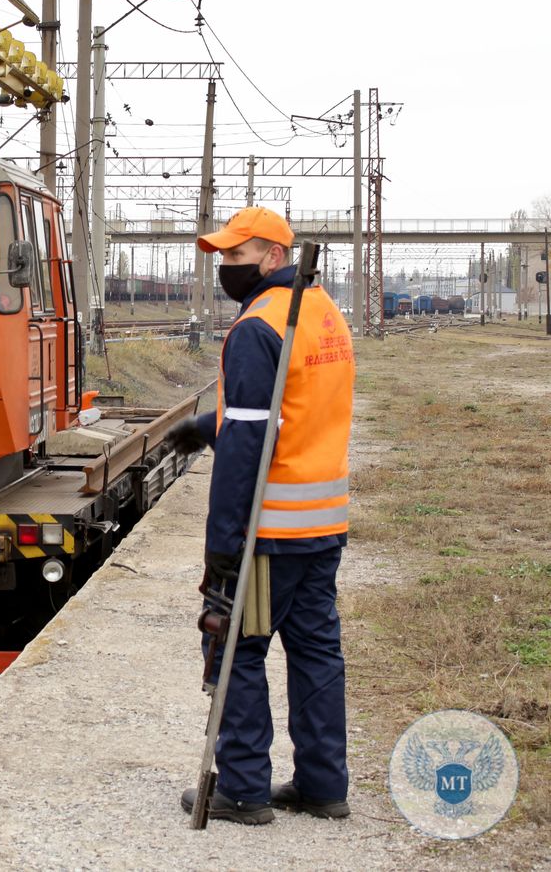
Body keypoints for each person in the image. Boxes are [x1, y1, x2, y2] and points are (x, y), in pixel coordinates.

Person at [170, 206, 356, 825]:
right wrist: (207, 425)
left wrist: (222, 547)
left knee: (235, 650)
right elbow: (292, 410)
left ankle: (244, 789)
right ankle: (324, 787)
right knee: (316, 654)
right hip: (322, 524)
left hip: (268, 532)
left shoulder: (257, 326)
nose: (226, 267)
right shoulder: (323, 314)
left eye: (235, 255)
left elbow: (252, 444)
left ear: (273, 256)